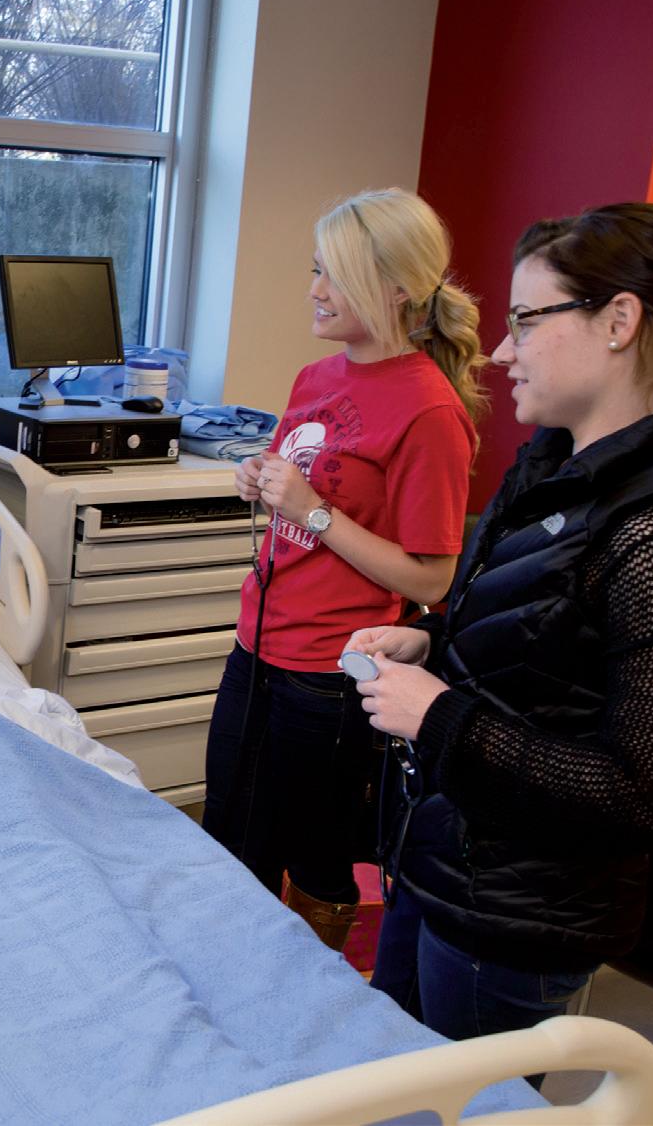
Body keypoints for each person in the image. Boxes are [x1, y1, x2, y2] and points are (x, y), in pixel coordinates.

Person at [349, 202, 653, 1052]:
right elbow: (546, 643)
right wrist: (434, 643)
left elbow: (644, 793)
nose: (500, 350)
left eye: (525, 320)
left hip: (519, 916)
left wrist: (438, 716)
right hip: (447, 862)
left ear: (619, 322)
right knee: (394, 1078)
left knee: (466, 1104)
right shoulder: (558, 463)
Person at [199, 188, 484, 951]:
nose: (315, 290)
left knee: (314, 852)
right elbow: (300, 485)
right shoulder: (315, 379)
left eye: (332, 273)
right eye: (315, 269)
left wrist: (315, 512)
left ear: (394, 288)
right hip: (259, 644)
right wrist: (262, 479)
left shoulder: (429, 412)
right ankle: (237, 969)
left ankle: (315, 988)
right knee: (230, 832)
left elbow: (430, 580)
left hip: (332, 672)